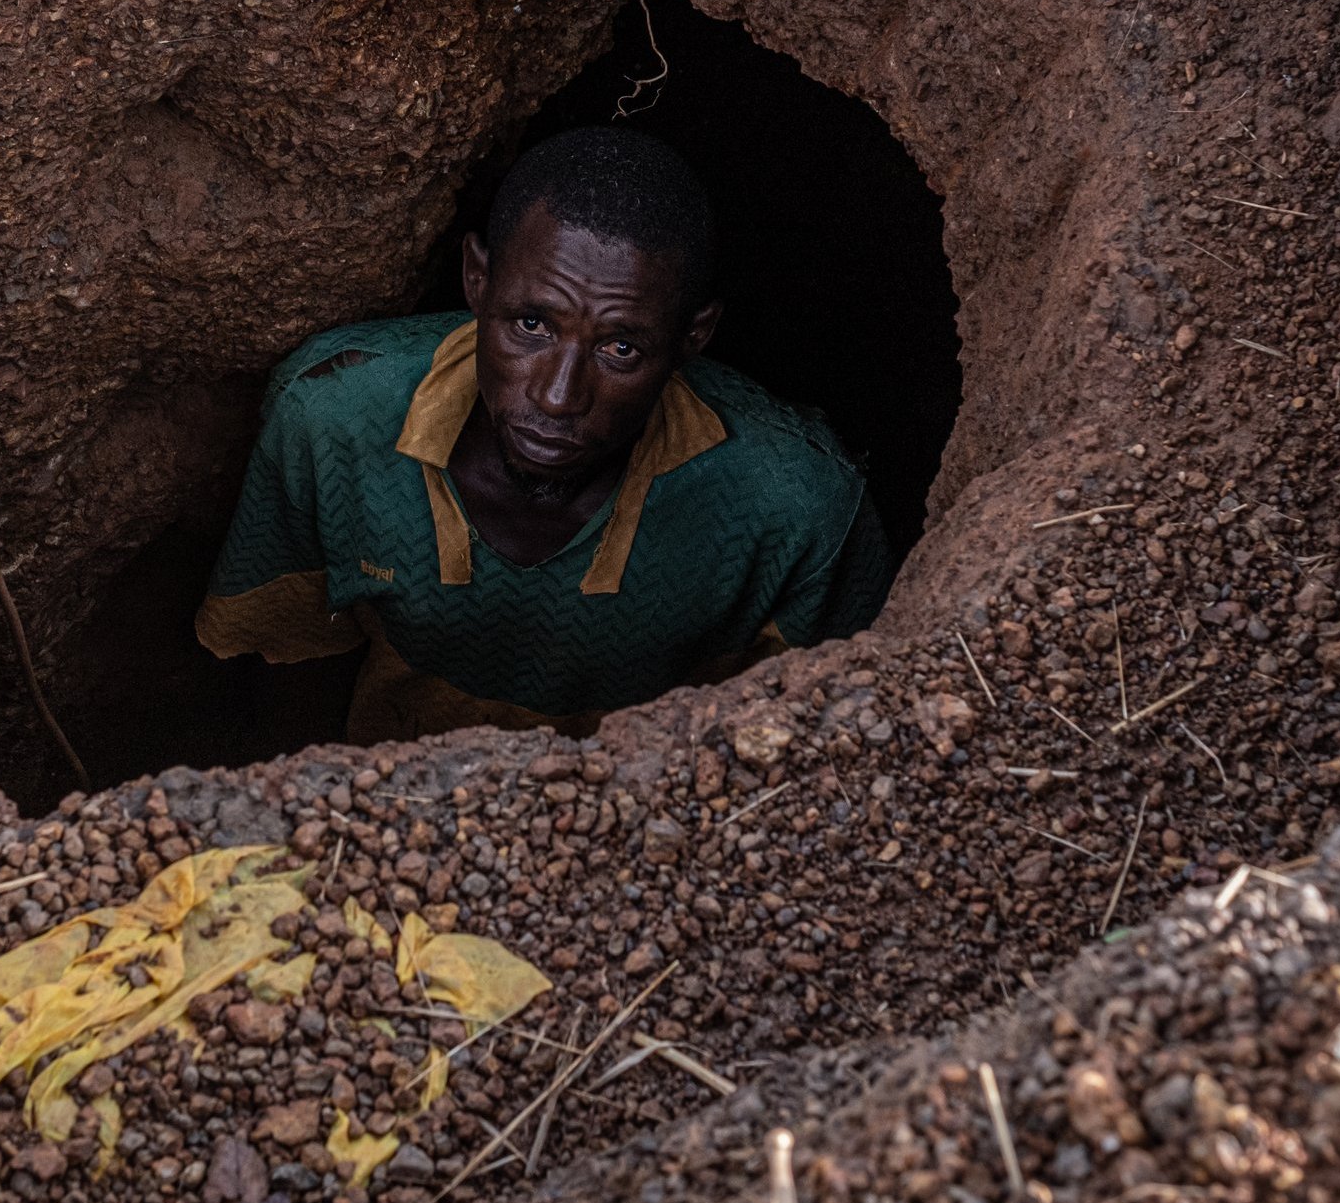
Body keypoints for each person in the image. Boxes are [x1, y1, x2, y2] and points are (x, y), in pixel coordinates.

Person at [194, 126, 892, 743]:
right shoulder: (334, 417)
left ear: (692, 338)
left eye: (620, 348)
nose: (558, 396)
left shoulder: (795, 509)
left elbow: (826, 745)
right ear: (476, 280)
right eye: (531, 324)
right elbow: (281, 664)